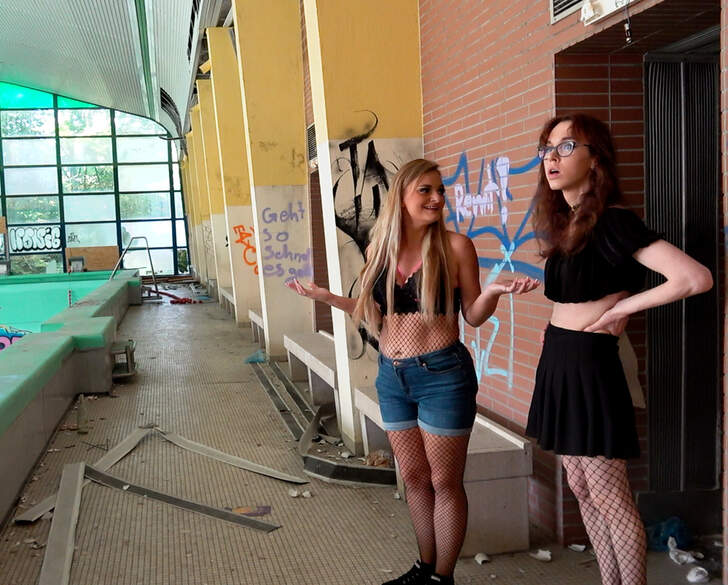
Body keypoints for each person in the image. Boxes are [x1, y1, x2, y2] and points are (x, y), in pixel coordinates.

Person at [287, 158, 539, 585]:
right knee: (415, 479)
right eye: (426, 190)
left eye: (440, 190)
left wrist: (495, 291)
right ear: (401, 197)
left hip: (442, 376)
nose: (437, 198)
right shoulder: (378, 250)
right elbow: (374, 314)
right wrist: (327, 297)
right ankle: (424, 569)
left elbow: (473, 316)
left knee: (445, 481)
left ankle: (442, 577)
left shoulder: (455, 247)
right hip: (392, 377)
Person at [525, 113, 713, 585]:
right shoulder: (569, 222)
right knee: (581, 486)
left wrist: (622, 308)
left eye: (567, 147)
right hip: (559, 359)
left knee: (609, 493)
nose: (552, 157)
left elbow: (694, 278)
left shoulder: (613, 220)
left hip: (591, 363)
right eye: (547, 148)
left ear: (596, 160)